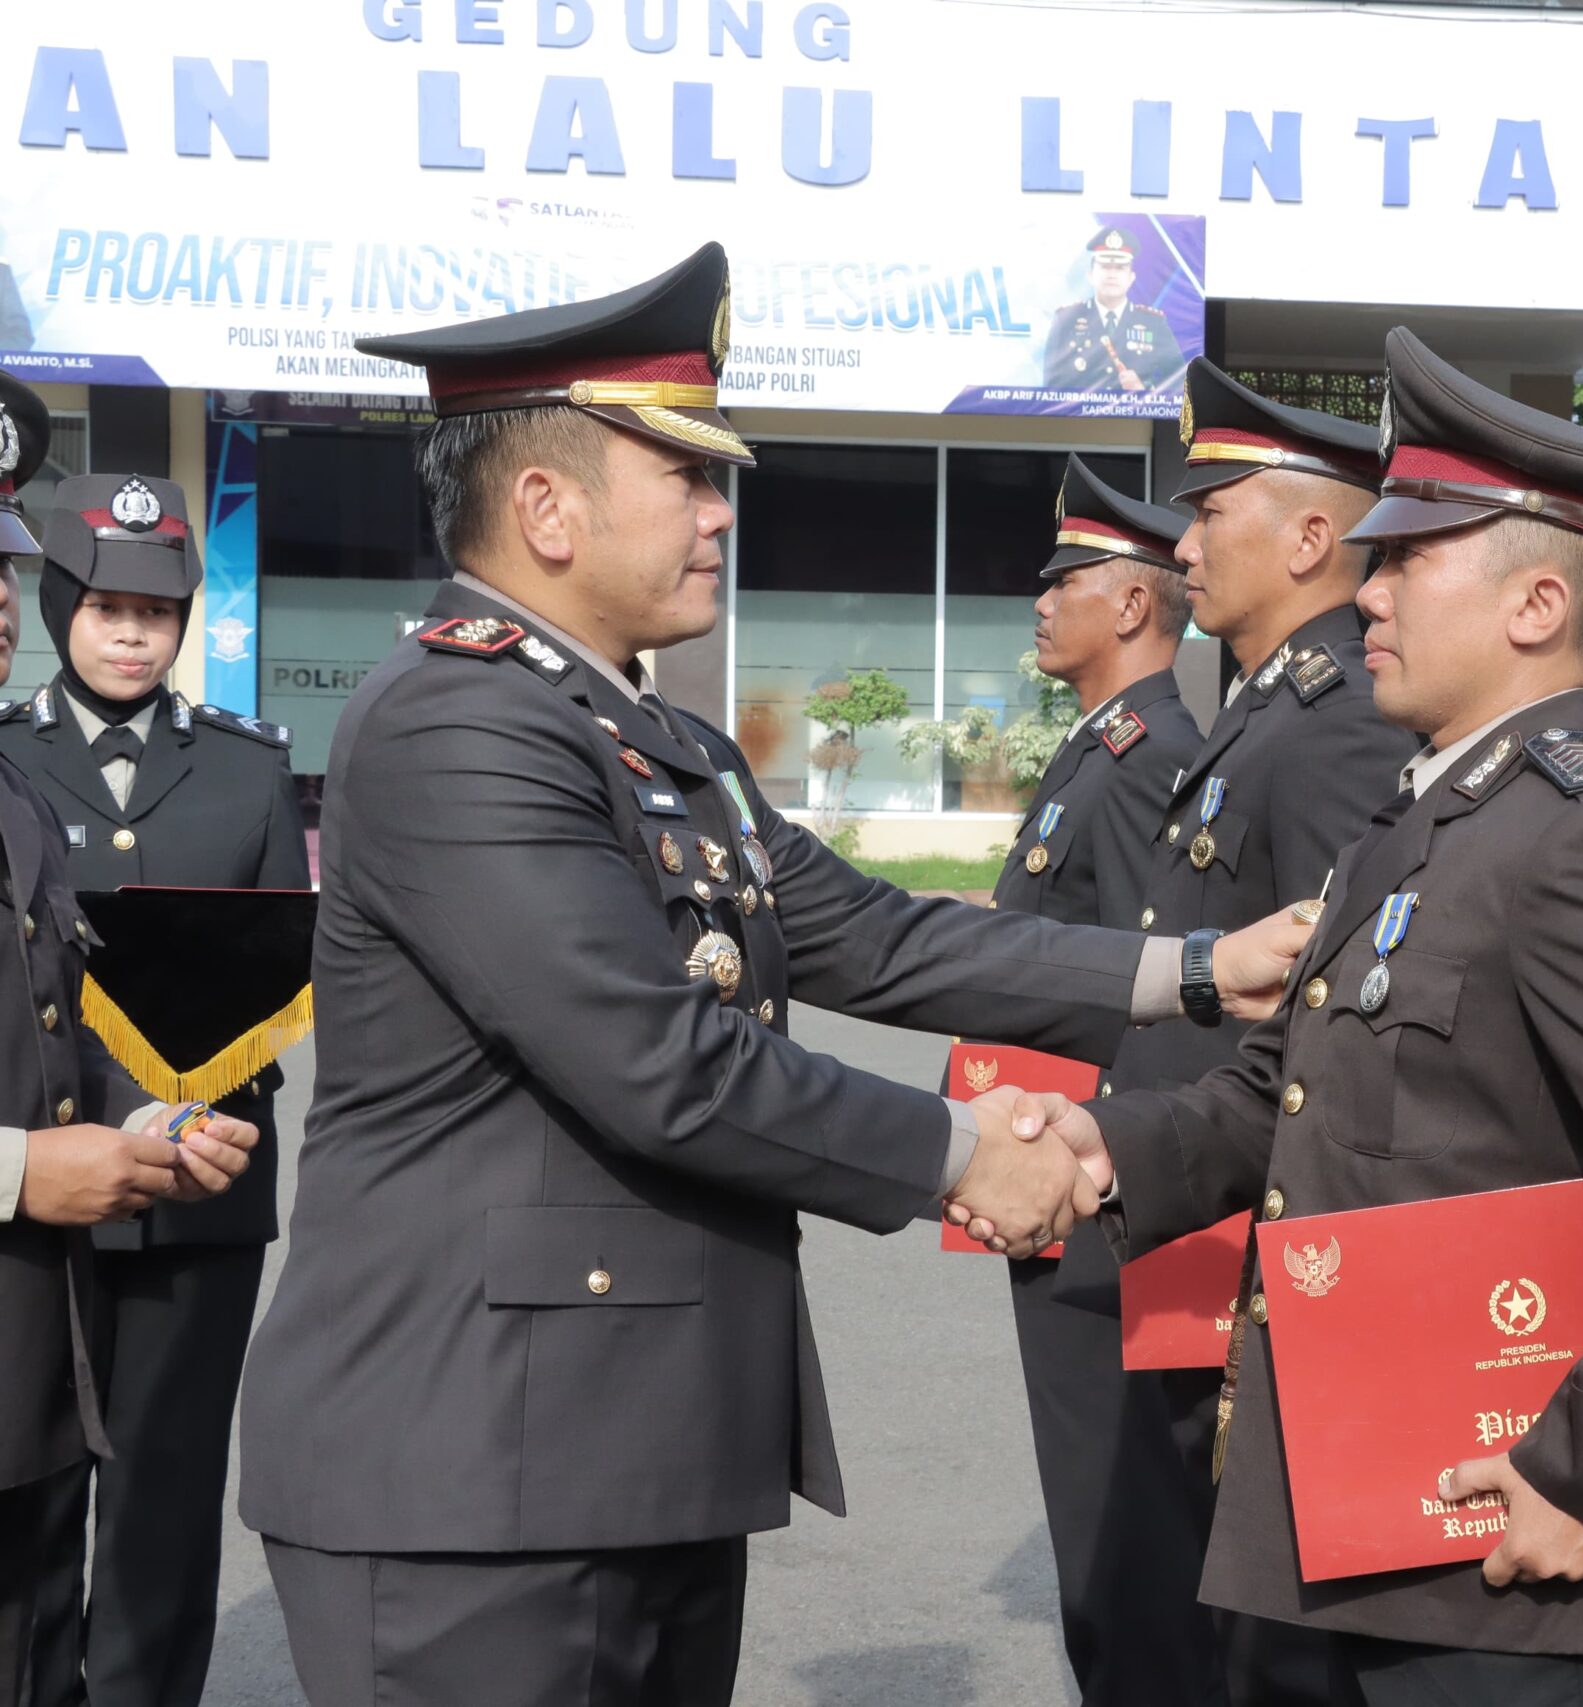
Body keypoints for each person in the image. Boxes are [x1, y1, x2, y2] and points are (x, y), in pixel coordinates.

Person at [231, 245, 1304, 1707]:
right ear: (544, 506)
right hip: (469, 1473)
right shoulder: (455, 725)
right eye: (682, 475)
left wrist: (1192, 968)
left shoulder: (661, 740)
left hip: (643, 1446)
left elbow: (874, 931)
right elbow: (657, 1057)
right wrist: (960, 1155)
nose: (722, 509)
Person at [966, 324, 1583, 1707]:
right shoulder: (1425, 816)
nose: (1371, 590)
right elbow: (1278, 1086)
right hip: (1361, 1528)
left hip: (1507, 1582)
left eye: (1411, 556)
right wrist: (1107, 1147)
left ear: (1537, 605)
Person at [1097, 356, 1413, 1707]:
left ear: (1309, 536)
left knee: (1261, 1644)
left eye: (1212, 509)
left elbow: (1350, 1024)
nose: (1184, 542)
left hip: (1253, 1249)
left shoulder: (1333, 720)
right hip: (1195, 1217)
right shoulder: (1274, 706)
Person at [0, 474, 307, 1707]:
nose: (132, 632)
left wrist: (197, 1121)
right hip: (42, 1190)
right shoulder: (6, 760)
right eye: (107, 605)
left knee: (165, 1510)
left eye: (158, 610)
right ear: (61, 601)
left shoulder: (245, 771)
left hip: (196, 1191)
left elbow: (279, 974)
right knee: (33, 1498)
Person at [995, 457, 1213, 1707]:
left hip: (1095, 1191)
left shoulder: (1141, 758)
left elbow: (1159, 989)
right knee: (1097, 1512)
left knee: (1124, 1528)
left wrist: (1101, 1172)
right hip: (1060, 1168)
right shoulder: (1103, 747)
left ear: (1131, 605)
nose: (1040, 601)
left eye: (1064, 580)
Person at [1044, 228, 1183, 394]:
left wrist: (1144, 392)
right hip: (1080, 418)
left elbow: (1179, 382)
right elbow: (1051, 385)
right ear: (1090, 275)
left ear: (1131, 277)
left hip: (1138, 418)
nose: (1112, 274)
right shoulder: (1066, 319)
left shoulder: (1152, 323)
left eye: (1120, 268)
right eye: (1105, 266)